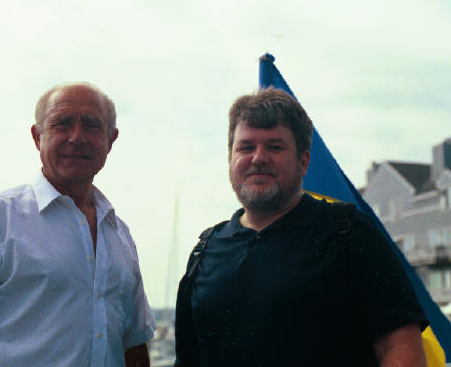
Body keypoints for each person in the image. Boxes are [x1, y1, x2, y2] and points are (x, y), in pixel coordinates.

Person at [175, 88, 429, 366]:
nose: (258, 158)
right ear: (230, 159)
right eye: (246, 147)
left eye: (275, 147)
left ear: (304, 161)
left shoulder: (350, 234)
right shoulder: (204, 252)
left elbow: (401, 347)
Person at [0, 83, 155, 367]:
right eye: (62, 123)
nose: (77, 137)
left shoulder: (119, 235)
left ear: (110, 140)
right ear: (37, 136)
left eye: (92, 126)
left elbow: (133, 344)